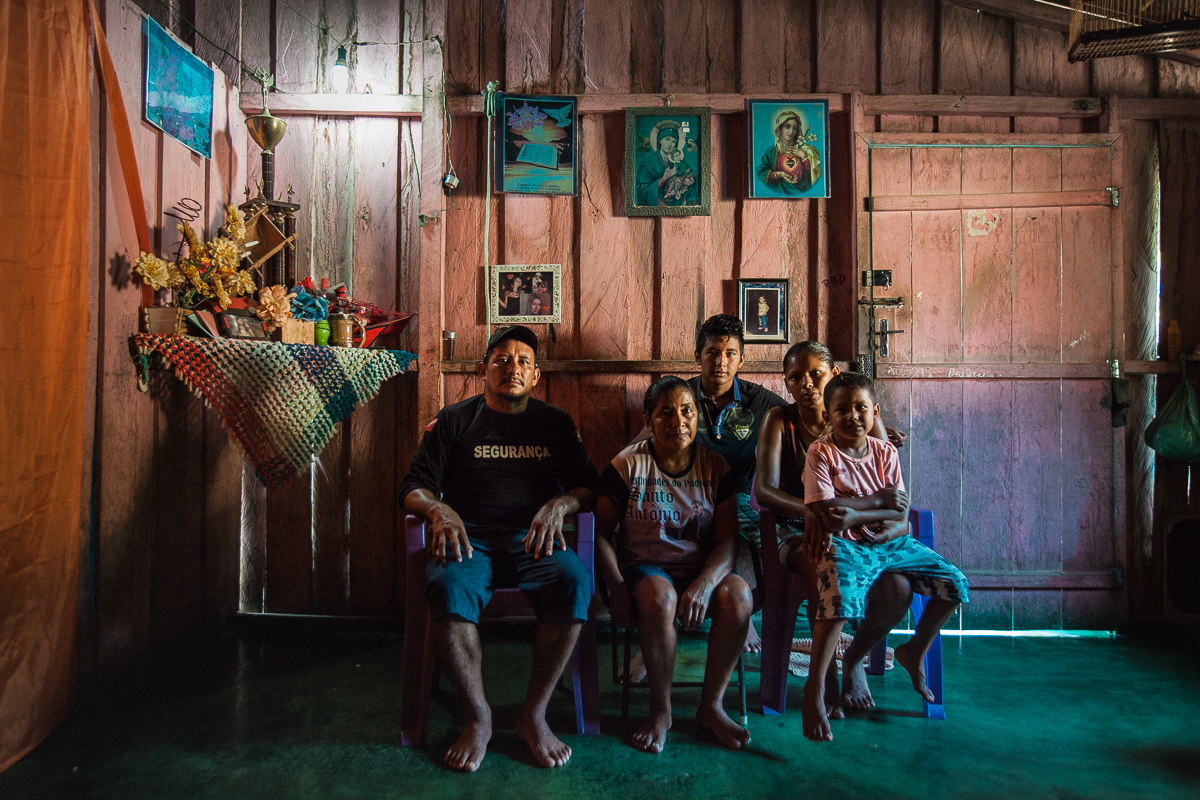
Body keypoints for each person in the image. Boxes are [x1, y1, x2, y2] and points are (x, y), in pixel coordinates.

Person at [399, 325, 600, 771]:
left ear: (536, 376)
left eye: (523, 362)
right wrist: (437, 510)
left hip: (534, 541)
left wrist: (560, 503)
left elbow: (589, 486)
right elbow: (413, 487)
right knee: (448, 588)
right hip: (471, 542)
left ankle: (533, 715)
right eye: (502, 359)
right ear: (482, 369)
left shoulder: (555, 423)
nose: (513, 368)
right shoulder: (454, 420)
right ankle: (479, 717)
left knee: (574, 581)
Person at [798, 372, 969, 743]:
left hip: (887, 542)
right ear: (827, 416)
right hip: (844, 543)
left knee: (954, 583)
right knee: (839, 598)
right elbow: (828, 512)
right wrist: (874, 507)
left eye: (861, 408)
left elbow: (900, 514)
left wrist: (871, 517)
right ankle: (815, 689)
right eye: (841, 409)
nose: (852, 416)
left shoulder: (885, 453)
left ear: (875, 412)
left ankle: (913, 649)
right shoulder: (821, 452)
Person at [754, 341, 915, 719]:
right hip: (799, 531)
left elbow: (888, 489)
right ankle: (824, 675)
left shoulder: (860, 416)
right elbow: (764, 489)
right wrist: (812, 512)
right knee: (823, 569)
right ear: (787, 384)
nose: (807, 383)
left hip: (859, 530)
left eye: (816, 374)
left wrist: (889, 523)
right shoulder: (779, 420)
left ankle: (854, 657)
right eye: (796, 378)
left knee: (898, 587)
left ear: (834, 376)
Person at [595, 376, 753, 754]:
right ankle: (661, 710)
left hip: (700, 569)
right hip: (644, 570)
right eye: (665, 413)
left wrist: (704, 584)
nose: (678, 421)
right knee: (659, 597)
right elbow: (599, 532)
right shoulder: (627, 466)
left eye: (687, 411)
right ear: (648, 420)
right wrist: (616, 585)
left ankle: (710, 707)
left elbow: (728, 540)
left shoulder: (717, 467)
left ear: (697, 417)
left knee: (739, 596)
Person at [755, 108, 822, 195]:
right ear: (780, 128)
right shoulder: (771, 152)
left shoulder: (806, 150)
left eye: (795, 128)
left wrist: (804, 156)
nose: (791, 132)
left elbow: (813, 178)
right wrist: (779, 174)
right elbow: (760, 173)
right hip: (778, 192)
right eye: (787, 127)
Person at [635, 121, 698, 207]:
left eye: (674, 141)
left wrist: (690, 179)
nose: (670, 144)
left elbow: (688, 177)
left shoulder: (678, 162)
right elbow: (641, 194)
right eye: (667, 139)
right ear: (659, 140)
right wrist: (664, 179)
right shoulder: (647, 165)